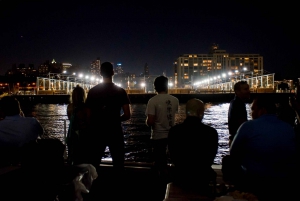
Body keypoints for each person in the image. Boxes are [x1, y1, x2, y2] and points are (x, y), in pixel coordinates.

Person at [229, 97, 297, 200]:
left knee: (228, 161)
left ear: (262, 110)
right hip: (283, 180)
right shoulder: (288, 128)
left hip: (255, 179)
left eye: (253, 109)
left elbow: (234, 153)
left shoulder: (248, 126)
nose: (251, 113)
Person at [85, 62, 131, 175]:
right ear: (113, 73)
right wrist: (115, 119)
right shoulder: (121, 91)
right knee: (118, 162)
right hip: (115, 131)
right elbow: (127, 114)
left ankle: (92, 189)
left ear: (100, 73)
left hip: (97, 131)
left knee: (94, 162)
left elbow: (88, 115)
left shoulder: (92, 92)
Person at [168, 98, 218, 193]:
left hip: (180, 177)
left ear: (186, 112)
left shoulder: (174, 131)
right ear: (200, 112)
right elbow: (210, 158)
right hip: (202, 179)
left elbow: (173, 156)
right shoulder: (211, 133)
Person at [145, 75, 179, 177]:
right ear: (167, 86)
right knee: (173, 159)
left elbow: (150, 121)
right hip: (172, 135)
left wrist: (146, 122)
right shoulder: (175, 100)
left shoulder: (153, 101)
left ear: (155, 87)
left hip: (158, 136)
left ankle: (161, 182)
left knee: (159, 161)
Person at [0, 96, 44, 166]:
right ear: (19, 109)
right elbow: (41, 132)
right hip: (30, 160)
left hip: (7, 162)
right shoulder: (32, 121)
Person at [66, 85, 90, 165]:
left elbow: (70, 119)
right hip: (83, 134)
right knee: (84, 156)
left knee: (72, 154)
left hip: (72, 133)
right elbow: (88, 121)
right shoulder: (86, 107)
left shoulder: (70, 107)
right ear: (83, 95)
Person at [228, 81, 250, 146]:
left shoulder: (234, 102)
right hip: (238, 140)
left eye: (248, 89)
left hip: (235, 138)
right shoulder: (239, 104)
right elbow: (241, 123)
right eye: (245, 89)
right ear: (237, 91)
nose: (248, 91)